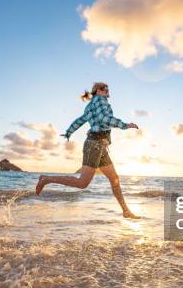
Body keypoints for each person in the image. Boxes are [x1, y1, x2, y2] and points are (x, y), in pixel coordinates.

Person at [35, 82, 140, 219]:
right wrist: (124, 125)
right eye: (106, 89)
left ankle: (126, 211)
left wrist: (69, 132)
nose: (108, 92)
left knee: (114, 178)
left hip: (99, 146)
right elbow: (105, 118)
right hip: (94, 145)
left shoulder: (90, 105)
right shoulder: (101, 101)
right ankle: (47, 179)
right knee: (82, 183)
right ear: (99, 91)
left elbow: (80, 120)